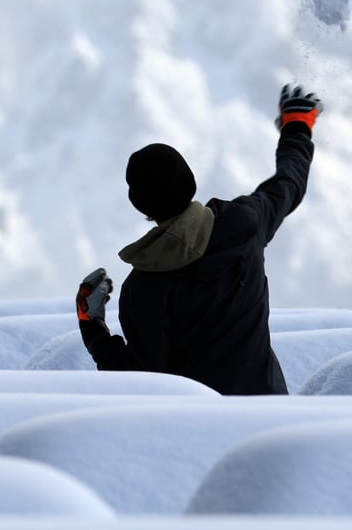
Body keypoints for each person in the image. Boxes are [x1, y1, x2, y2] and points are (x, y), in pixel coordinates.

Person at [75, 84, 321, 395]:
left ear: (141, 207)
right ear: (189, 181)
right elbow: (289, 183)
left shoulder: (144, 289)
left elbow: (142, 380)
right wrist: (297, 124)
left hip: (198, 431)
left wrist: (92, 327)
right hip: (269, 414)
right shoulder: (244, 224)